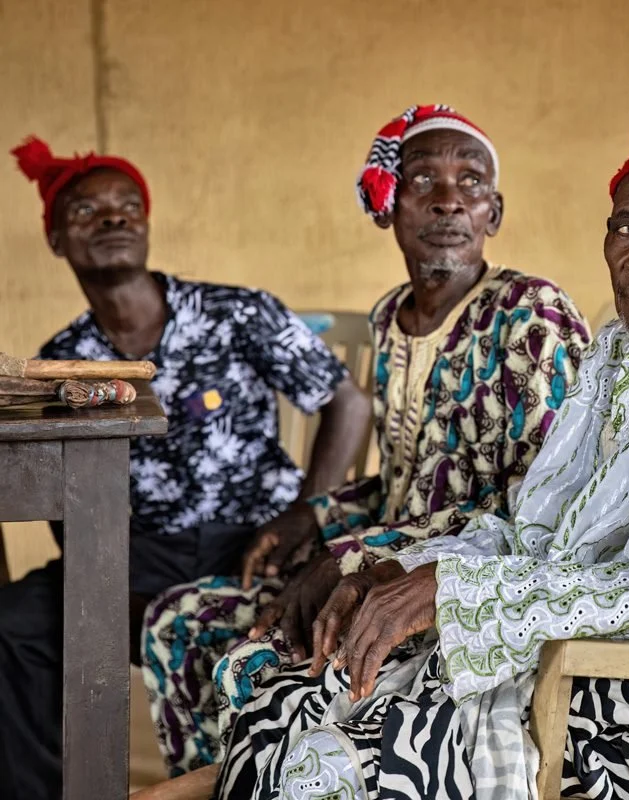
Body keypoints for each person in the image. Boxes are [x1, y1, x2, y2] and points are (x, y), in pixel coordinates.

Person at [214, 109, 629, 800]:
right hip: (560, 651)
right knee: (277, 699)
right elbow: (534, 530)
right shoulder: (616, 351)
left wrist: (452, 594)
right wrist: (406, 568)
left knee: (347, 762)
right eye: (627, 226)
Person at [141, 104, 591, 777]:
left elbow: (536, 514)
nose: (448, 201)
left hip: (461, 593)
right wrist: (314, 518)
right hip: (380, 565)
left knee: (257, 661)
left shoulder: (530, 316)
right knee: (178, 623)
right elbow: (403, 484)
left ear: (494, 214)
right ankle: (225, 784)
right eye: (423, 181)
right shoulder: (390, 318)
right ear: (388, 206)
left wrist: (347, 559)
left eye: (470, 183)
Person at [0, 137, 371, 800]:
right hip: (133, 555)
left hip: (257, 543)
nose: (113, 218)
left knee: (266, 632)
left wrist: (306, 512)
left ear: (145, 224)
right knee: (16, 624)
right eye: (87, 211)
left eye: (127, 206)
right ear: (56, 239)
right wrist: (101, 574)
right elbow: (66, 487)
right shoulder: (66, 358)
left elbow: (345, 401)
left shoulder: (234, 312)